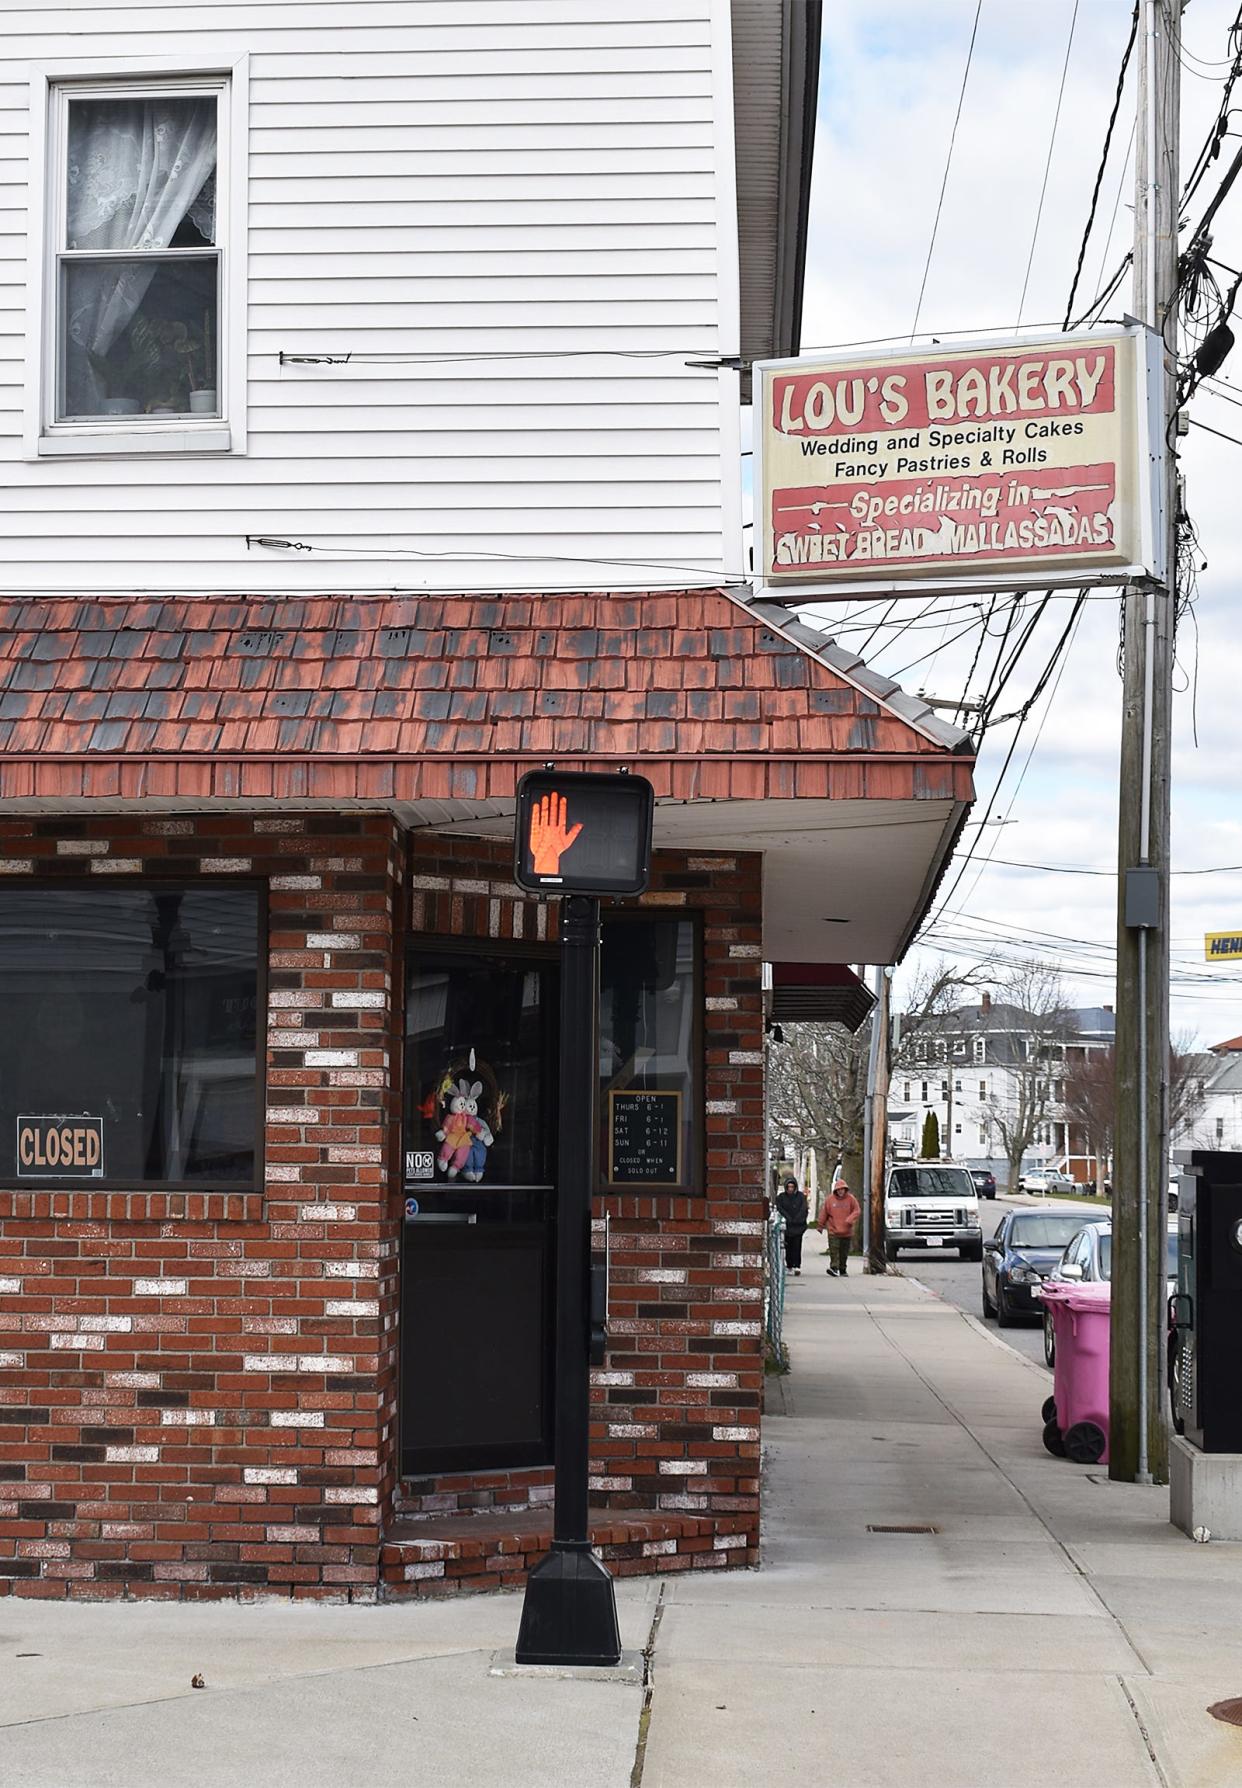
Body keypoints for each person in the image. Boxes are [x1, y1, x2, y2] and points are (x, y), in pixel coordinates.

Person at [818, 1177, 862, 1276]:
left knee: (844, 1252)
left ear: (845, 1190)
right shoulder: (830, 1200)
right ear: (836, 1190)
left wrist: (850, 1219)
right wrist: (820, 1225)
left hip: (846, 1231)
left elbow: (857, 1210)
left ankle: (842, 1269)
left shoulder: (851, 1199)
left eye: (842, 1189)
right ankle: (834, 1267)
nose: (840, 1192)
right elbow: (824, 1213)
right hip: (833, 1230)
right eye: (839, 1190)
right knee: (834, 1251)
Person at [774, 1175, 809, 1275]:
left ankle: (797, 1265)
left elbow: (803, 1209)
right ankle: (789, 1265)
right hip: (787, 1227)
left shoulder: (801, 1197)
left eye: (792, 1187)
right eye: (788, 1187)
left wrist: (798, 1219)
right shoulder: (781, 1198)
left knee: (797, 1246)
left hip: (798, 1226)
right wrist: (788, 1218)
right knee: (788, 1247)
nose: (790, 1189)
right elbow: (780, 1208)